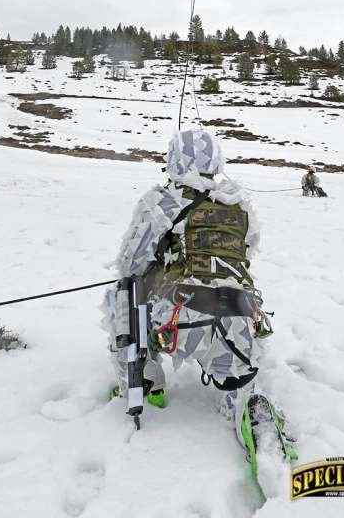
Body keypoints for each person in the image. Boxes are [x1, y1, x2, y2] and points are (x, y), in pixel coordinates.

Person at [103, 129, 295, 480]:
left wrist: (161, 262)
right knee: (238, 385)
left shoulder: (162, 201)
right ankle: (251, 417)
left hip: (180, 320)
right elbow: (245, 253)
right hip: (241, 319)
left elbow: (130, 264)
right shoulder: (240, 204)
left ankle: (146, 381)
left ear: (172, 160)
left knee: (122, 292)